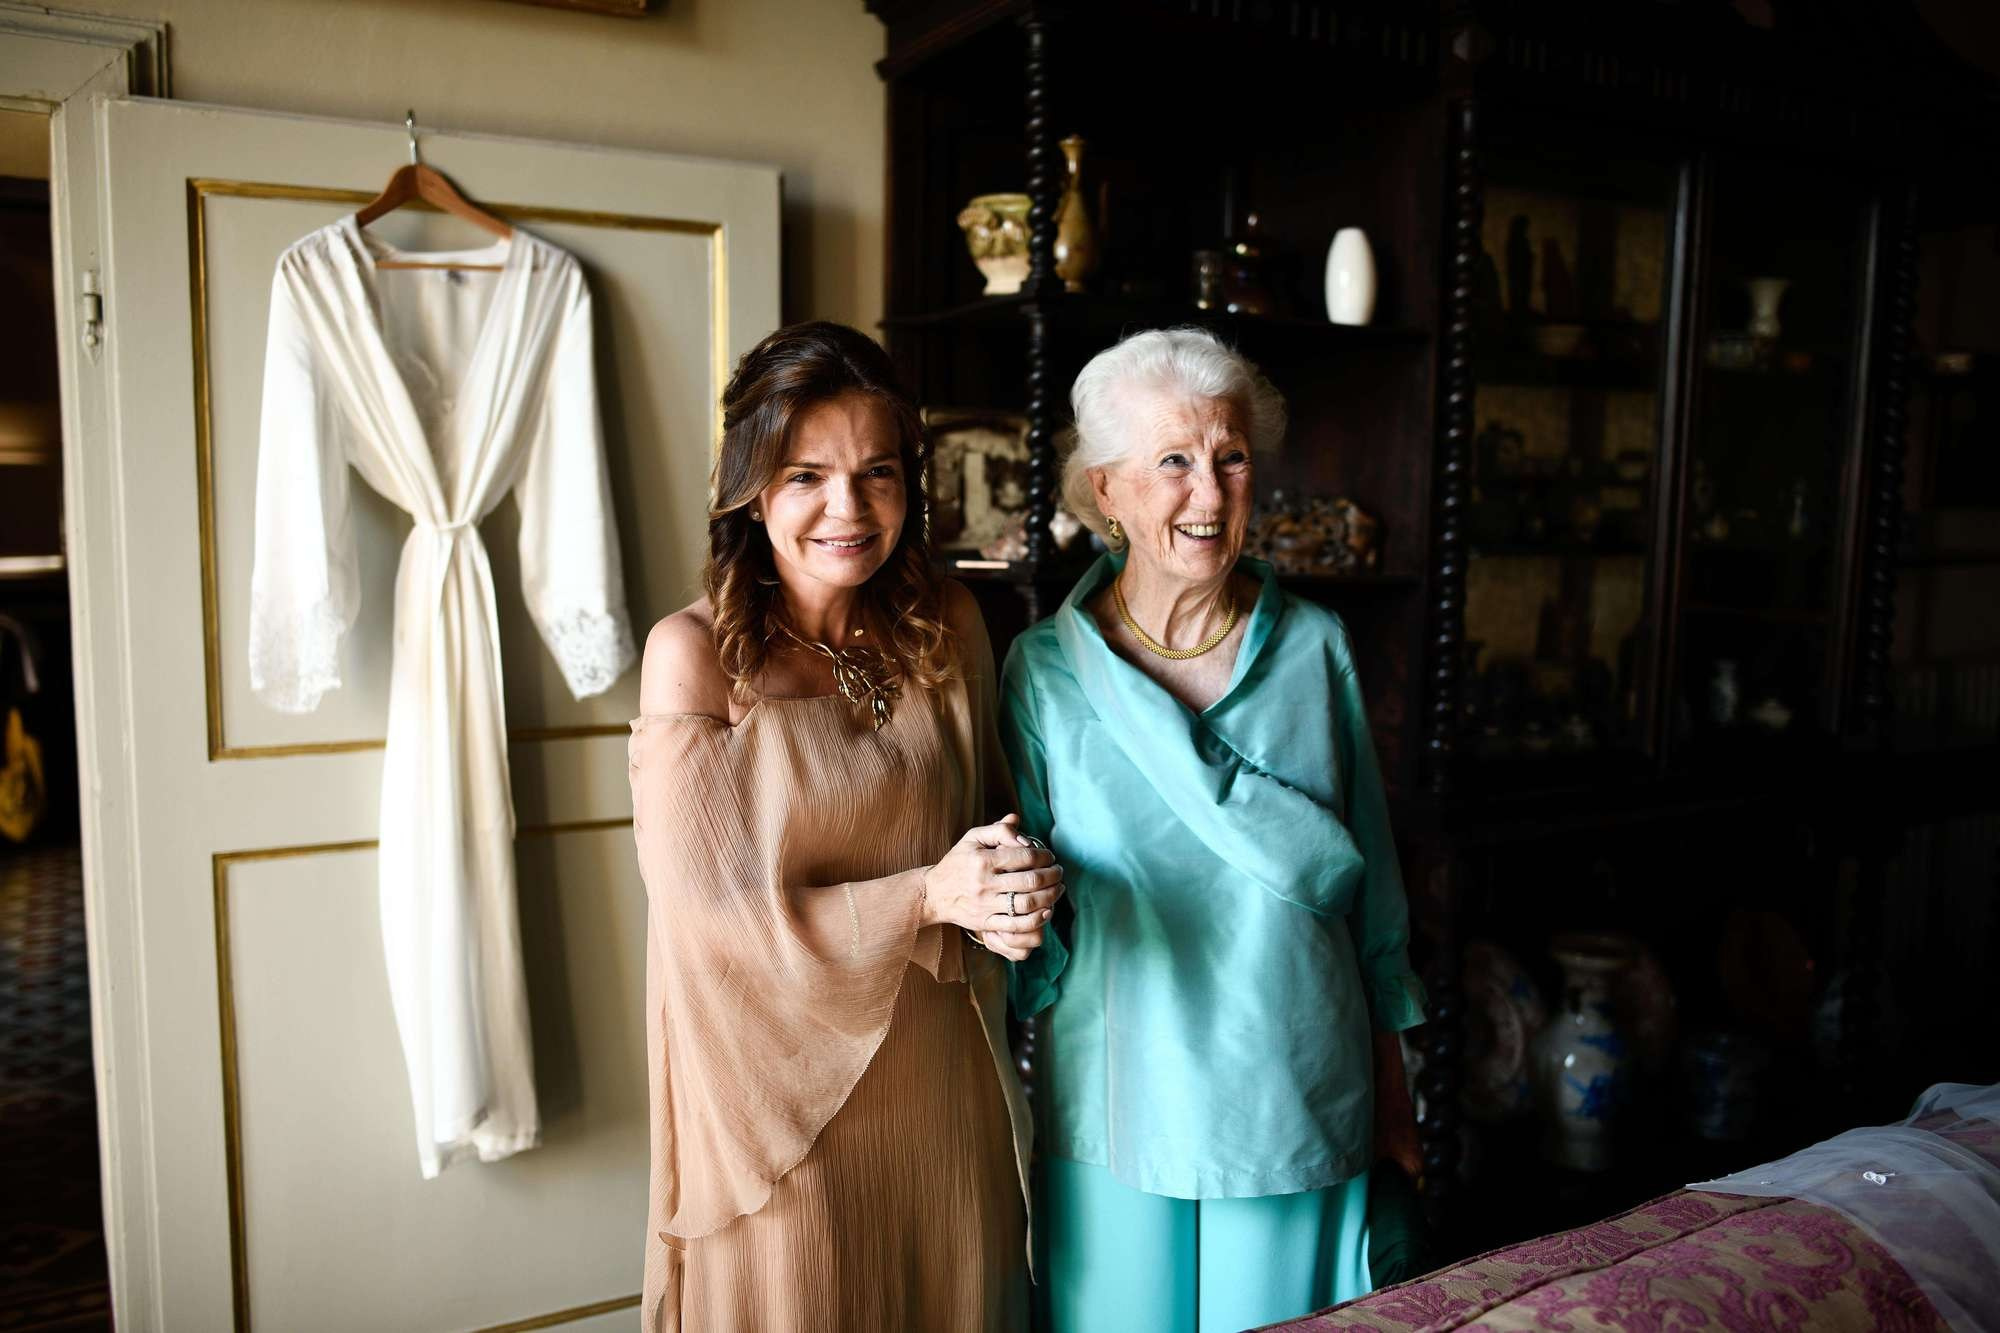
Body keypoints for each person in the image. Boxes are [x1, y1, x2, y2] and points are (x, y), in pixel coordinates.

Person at [628, 321, 1061, 1332]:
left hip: (941, 1084)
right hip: (775, 1111)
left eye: (877, 473)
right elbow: (713, 926)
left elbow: (987, 822)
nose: (848, 508)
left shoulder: (945, 621)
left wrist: (1013, 884)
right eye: (806, 475)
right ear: (749, 484)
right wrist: (928, 893)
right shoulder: (694, 656)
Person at [1001, 327, 1427, 1332]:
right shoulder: (1042, 672)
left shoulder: (1317, 647)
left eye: (1229, 458)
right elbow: (1029, 943)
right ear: (1105, 489)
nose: (1207, 493)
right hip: (1118, 1110)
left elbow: (1375, 902)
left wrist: (1393, 1094)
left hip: (1297, 1089)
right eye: (1171, 462)